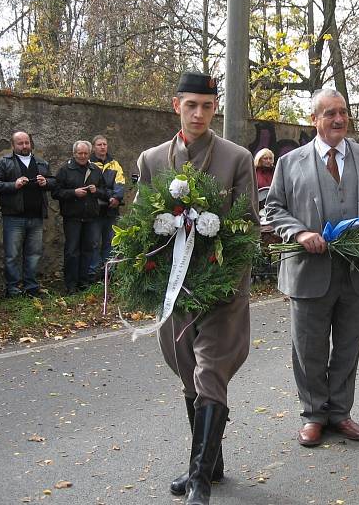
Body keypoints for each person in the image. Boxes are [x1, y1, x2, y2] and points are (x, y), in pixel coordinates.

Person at [137, 72, 259, 504]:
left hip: (223, 289)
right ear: (177, 105)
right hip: (176, 292)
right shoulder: (151, 160)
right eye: (192, 105)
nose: (200, 113)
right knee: (189, 372)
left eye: (208, 106)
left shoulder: (236, 158)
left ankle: (199, 481)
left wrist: (227, 277)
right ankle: (212, 463)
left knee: (210, 372)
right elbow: (139, 228)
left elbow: (248, 226)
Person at [266, 88, 359, 449]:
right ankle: (313, 414)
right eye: (329, 114)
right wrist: (301, 231)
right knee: (308, 347)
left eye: (343, 112)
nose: (338, 119)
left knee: (347, 346)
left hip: (356, 270)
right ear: (314, 120)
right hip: (309, 270)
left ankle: (340, 412)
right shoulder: (289, 163)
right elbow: (274, 209)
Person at [0, 131, 55, 297]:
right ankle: (13, 289)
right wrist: (13, 185)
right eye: (20, 143)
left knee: (33, 254)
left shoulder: (41, 162)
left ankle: (31, 287)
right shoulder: (3, 162)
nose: (24, 146)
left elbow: (54, 181)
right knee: (12, 255)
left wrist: (46, 182)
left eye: (27, 143)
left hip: (36, 216)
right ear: (13, 145)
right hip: (13, 216)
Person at [53, 141, 107, 293]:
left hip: (91, 217)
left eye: (85, 153)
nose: (82, 156)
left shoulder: (95, 170)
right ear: (74, 153)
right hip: (72, 217)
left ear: (89, 154)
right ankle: (70, 284)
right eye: (79, 153)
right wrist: (73, 193)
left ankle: (83, 282)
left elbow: (104, 191)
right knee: (71, 251)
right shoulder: (65, 169)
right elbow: (56, 192)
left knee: (88, 250)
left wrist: (96, 191)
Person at [90, 135, 125, 276]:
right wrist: (109, 194)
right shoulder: (89, 164)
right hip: (94, 210)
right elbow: (93, 187)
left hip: (111, 210)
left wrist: (116, 197)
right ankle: (93, 273)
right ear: (93, 147)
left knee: (110, 243)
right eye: (99, 144)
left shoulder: (115, 164)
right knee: (93, 244)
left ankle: (108, 273)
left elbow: (120, 183)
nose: (103, 147)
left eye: (105, 144)